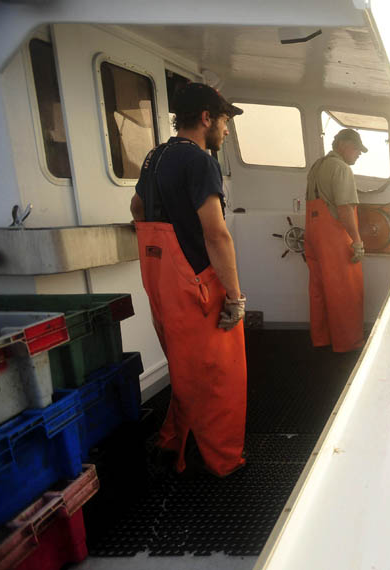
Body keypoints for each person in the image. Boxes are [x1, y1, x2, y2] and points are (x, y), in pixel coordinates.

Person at [129, 82, 247, 477]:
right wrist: (234, 296)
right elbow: (216, 234)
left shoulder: (154, 157)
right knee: (220, 379)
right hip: (195, 283)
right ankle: (224, 463)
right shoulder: (200, 161)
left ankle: (170, 445)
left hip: (159, 281)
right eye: (225, 120)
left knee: (183, 369)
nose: (227, 130)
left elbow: (137, 206)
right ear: (206, 118)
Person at [304, 128, 367, 353]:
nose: (359, 153)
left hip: (312, 233)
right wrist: (357, 241)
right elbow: (344, 209)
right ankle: (347, 344)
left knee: (319, 289)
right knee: (345, 290)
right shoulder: (341, 168)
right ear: (342, 144)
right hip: (332, 236)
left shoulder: (317, 166)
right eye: (356, 148)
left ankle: (322, 339)